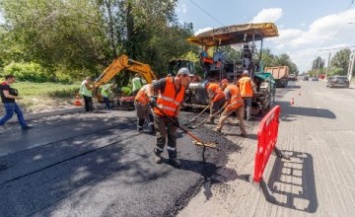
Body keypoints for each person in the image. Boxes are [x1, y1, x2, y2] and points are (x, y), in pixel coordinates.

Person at [147, 67, 191, 167]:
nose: (188, 81)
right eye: (187, 79)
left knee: (172, 136)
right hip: (160, 114)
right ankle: (157, 153)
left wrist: (176, 118)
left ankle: (172, 157)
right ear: (181, 76)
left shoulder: (183, 89)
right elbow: (150, 86)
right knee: (162, 136)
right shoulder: (165, 81)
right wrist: (150, 97)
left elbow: (178, 105)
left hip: (171, 116)